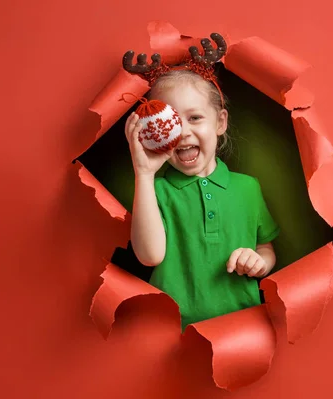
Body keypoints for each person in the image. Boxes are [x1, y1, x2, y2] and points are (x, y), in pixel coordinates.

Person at [122, 35, 280, 329]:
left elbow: (266, 248)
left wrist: (259, 262)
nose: (181, 134)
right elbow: (149, 256)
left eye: (195, 118)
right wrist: (144, 175)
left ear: (220, 122)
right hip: (173, 331)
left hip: (244, 328)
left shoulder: (248, 187)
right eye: (169, 123)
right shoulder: (156, 190)